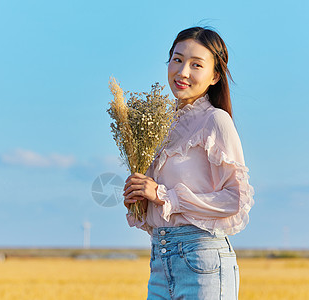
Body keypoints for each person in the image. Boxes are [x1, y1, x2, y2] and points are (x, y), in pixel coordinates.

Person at [123, 26, 254, 300]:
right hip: (160, 261)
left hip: (202, 262)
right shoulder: (159, 125)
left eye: (196, 65)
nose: (182, 72)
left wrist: (161, 194)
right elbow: (162, 206)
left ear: (215, 76)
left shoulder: (215, 121)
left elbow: (235, 199)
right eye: (178, 59)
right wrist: (140, 200)